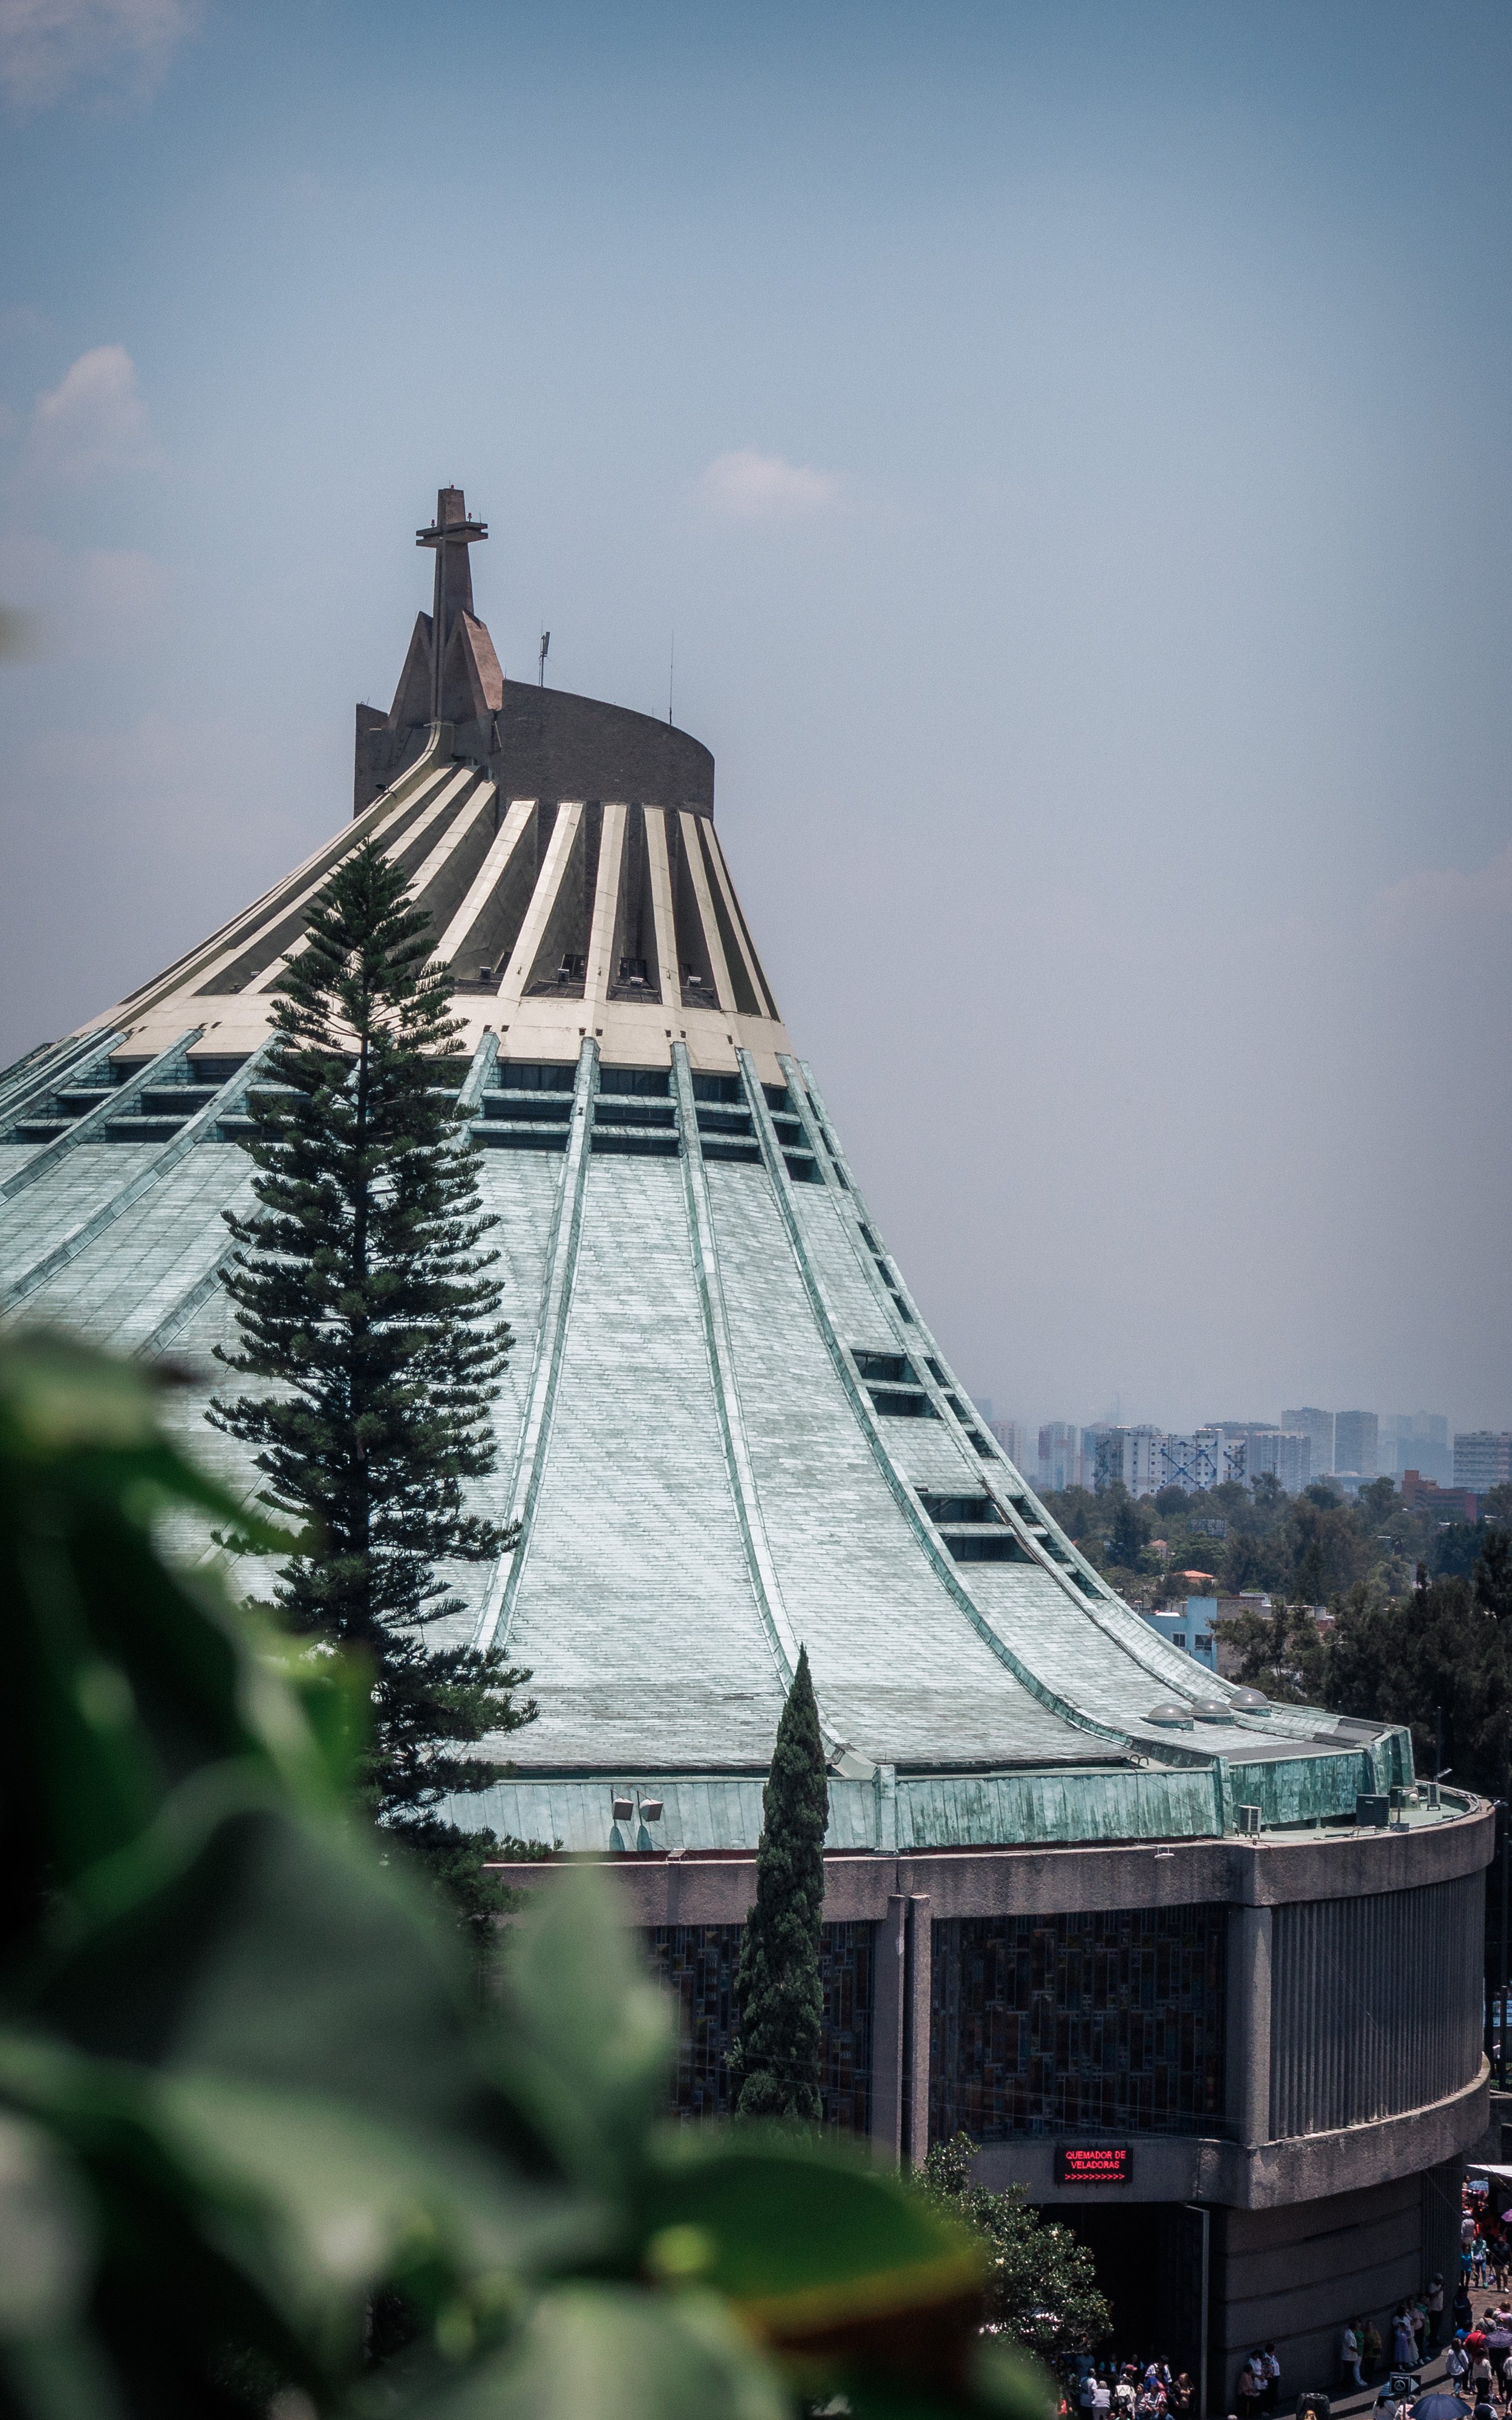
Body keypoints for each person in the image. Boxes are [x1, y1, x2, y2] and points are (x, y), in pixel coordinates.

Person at [1341, 2329, 1364, 2395]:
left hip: (1349, 2357)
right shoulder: (1349, 2335)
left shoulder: (1348, 2333)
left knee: (1348, 2372)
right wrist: (1357, 2351)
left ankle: (1347, 2386)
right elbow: (1351, 2346)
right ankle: (1347, 2387)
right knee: (1348, 2373)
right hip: (1348, 2357)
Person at [1427, 2277, 1446, 2353]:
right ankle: (1432, 2342)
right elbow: (1432, 2295)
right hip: (1433, 2310)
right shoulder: (1433, 2286)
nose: (1441, 2282)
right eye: (1440, 2281)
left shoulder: (1439, 2287)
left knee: (1437, 2326)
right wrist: (1441, 2289)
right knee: (1433, 2326)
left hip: (1439, 2309)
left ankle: (1436, 2340)